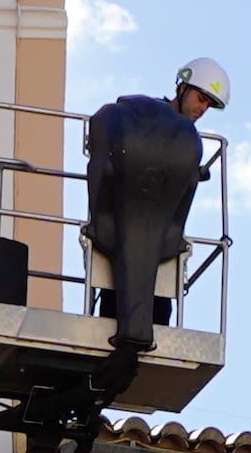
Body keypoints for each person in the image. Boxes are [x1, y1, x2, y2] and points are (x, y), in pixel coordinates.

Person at [79, 58, 226, 353]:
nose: (202, 108)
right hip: (117, 239)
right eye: (200, 98)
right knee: (111, 307)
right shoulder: (142, 119)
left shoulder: (187, 139)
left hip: (158, 247)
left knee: (159, 314)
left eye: (209, 104)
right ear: (182, 87)